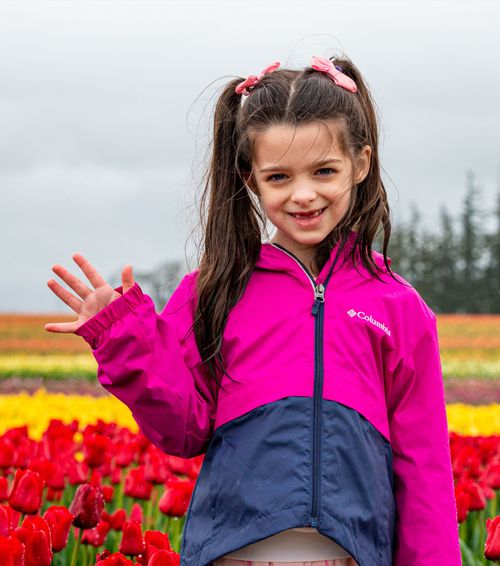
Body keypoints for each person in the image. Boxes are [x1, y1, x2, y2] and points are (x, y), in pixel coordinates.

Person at [44, 53, 462, 566]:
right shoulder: (216, 289)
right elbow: (183, 428)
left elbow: (424, 469)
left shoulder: (399, 307)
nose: (304, 194)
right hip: (232, 555)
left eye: (324, 171)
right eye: (280, 177)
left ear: (361, 163)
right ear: (250, 179)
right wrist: (122, 337)